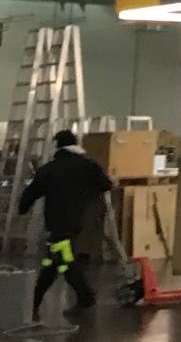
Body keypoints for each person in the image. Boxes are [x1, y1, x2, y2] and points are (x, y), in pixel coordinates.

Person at [18, 130, 113, 319]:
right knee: (55, 263)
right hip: (77, 223)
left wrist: (22, 208)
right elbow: (106, 184)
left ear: (57, 146)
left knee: (65, 263)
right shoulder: (88, 166)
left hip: (58, 224)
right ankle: (37, 303)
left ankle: (85, 297)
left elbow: (30, 193)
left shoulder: (49, 169)